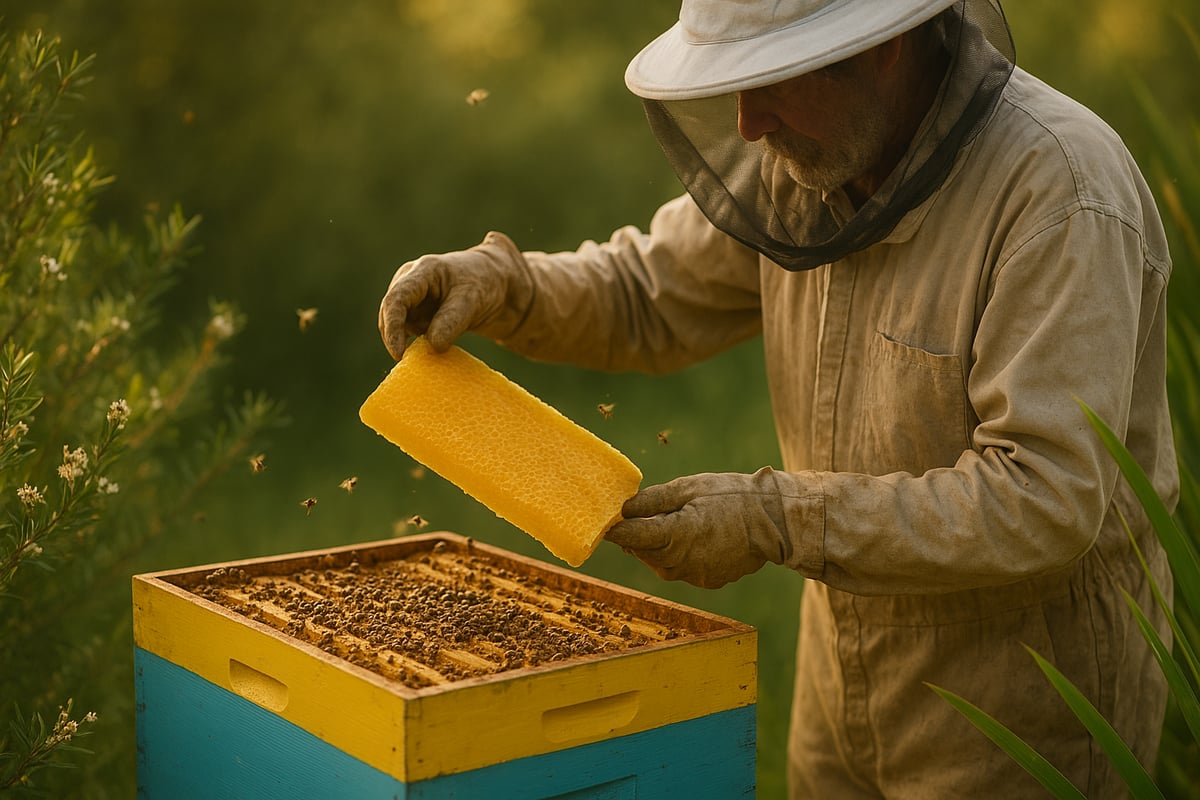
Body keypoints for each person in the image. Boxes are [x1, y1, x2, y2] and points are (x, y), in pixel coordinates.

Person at [377, 0, 1178, 797]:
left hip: (1025, 704)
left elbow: (1043, 496)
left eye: (775, 80)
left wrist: (772, 519)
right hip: (840, 675)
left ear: (886, 46)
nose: (749, 122)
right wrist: (509, 287)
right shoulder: (805, 160)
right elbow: (647, 292)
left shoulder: (1061, 193)